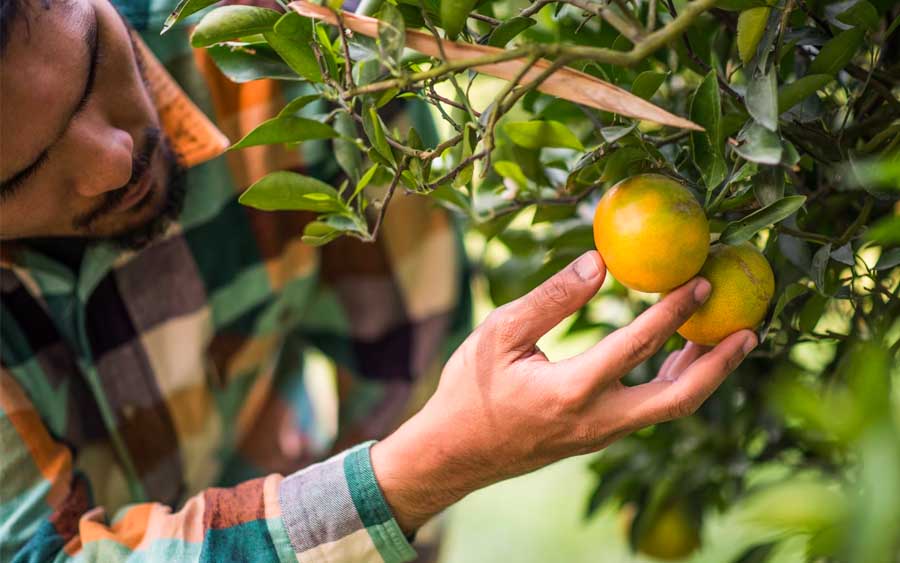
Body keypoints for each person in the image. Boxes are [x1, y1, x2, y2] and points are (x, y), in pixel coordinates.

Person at [0, 0, 758, 560]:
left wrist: (408, 488)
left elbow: (406, 361)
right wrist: (417, 471)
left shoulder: (293, 58)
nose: (115, 159)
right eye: (24, 173)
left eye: (97, 60)